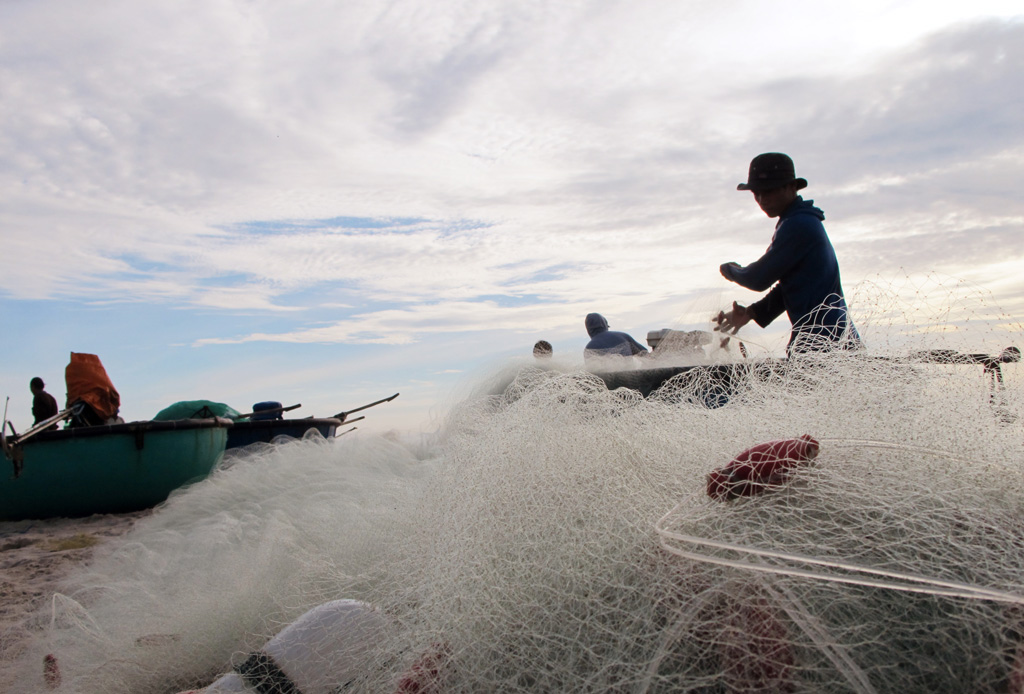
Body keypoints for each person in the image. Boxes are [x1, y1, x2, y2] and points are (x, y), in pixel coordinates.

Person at [716, 153, 860, 354]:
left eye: (770, 191)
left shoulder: (798, 224)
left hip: (825, 344)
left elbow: (758, 278)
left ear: (792, 187)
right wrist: (751, 313)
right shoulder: (798, 221)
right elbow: (792, 287)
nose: (762, 199)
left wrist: (730, 269)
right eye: (756, 193)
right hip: (832, 340)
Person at [583, 313, 648, 364]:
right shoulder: (623, 336)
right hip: (630, 378)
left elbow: (592, 373)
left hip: (606, 380)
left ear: (588, 330)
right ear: (605, 325)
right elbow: (645, 354)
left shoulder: (589, 348)